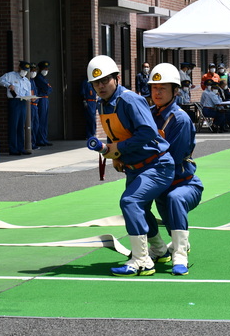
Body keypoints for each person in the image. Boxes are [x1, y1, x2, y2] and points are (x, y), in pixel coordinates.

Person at [87, 54, 174, 277]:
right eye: (96, 82)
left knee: (130, 201)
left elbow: (147, 132)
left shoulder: (130, 100)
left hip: (156, 164)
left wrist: (119, 149)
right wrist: (115, 154)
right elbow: (116, 134)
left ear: (116, 78)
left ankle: (142, 261)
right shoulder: (102, 104)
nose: (100, 86)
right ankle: (159, 250)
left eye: (105, 80)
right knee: (140, 208)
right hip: (135, 166)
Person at [147, 63, 203, 276]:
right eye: (154, 88)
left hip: (183, 184)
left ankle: (180, 254)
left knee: (175, 199)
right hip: (159, 185)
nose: (157, 92)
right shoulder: (148, 114)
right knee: (134, 201)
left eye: (163, 88)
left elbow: (173, 159)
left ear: (175, 90)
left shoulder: (180, 119)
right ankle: (158, 249)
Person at [0, 60, 32, 155]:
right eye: (23, 69)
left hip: (23, 102)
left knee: (21, 126)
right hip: (14, 102)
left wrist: (31, 98)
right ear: (19, 68)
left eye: (26, 70)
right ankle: (13, 148)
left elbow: (28, 93)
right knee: (13, 125)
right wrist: (8, 85)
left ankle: (21, 148)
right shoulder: (10, 75)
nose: (25, 72)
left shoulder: (26, 81)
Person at [35, 60, 53, 146]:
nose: (46, 70)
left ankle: (44, 138)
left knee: (45, 120)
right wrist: (47, 89)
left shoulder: (44, 78)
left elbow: (49, 89)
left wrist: (47, 89)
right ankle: (40, 139)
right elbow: (47, 88)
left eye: (47, 68)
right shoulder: (39, 77)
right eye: (44, 68)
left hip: (45, 99)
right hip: (41, 99)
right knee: (41, 119)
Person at [28, 63, 41, 149]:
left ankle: (34, 143)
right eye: (32, 70)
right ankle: (31, 144)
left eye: (35, 70)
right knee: (31, 126)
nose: (34, 72)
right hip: (31, 105)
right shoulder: (28, 81)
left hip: (35, 105)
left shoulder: (33, 81)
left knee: (36, 125)